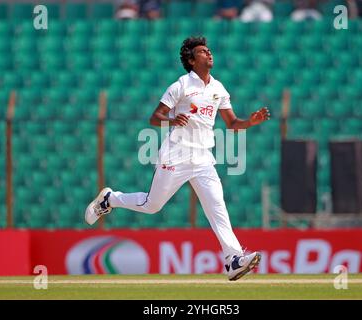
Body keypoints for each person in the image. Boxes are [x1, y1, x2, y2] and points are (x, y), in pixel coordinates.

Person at [85, 36, 270, 281]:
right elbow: (155, 117)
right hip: (176, 154)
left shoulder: (218, 88)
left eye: (209, 50)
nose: (209, 53)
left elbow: (233, 123)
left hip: (203, 158)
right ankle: (111, 199)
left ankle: (233, 259)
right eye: (203, 52)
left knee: (217, 208)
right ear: (192, 60)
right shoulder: (181, 85)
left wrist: (251, 121)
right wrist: (172, 120)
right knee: (153, 206)